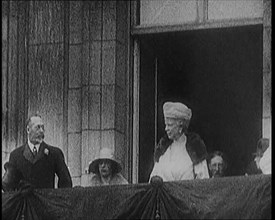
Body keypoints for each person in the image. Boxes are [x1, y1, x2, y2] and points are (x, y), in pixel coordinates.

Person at [3, 114, 72, 191]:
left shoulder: (55, 153)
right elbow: (9, 187)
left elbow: (66, 183)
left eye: (43, 127)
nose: (41, 131)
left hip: (46, 202)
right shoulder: (16, 155)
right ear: (28, 130)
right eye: (38, 127)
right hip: (25, 202)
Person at [150, 102, 209, 182]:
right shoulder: (163, 150)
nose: (166, 129)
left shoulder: (195, 149)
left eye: (170, 125)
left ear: (180, 125)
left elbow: (203, 182)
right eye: (166, 125)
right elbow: (152, 180)